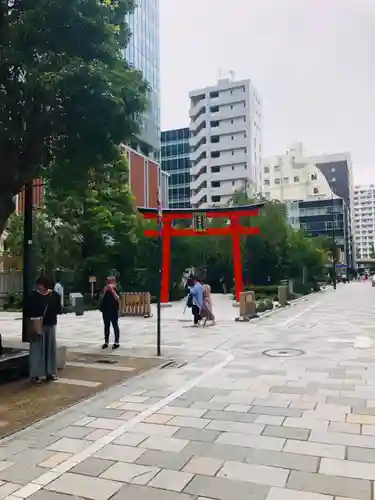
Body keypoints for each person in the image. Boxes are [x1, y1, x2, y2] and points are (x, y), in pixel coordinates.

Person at [25, 276, 61, 384]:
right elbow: (27, 310)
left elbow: (58, 308)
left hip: (50, 324)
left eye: (41, 285)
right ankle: (35, 375)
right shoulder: (32, 296)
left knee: (50, 349)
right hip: (37, 326)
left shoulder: (54, 295)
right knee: (37, 350)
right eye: (38, 285)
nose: (39, 287)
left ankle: (50, 372)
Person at [100, 276, 120, 349]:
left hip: (113, 310)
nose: (108, 283)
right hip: (106, 310)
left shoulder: (116, 289)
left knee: (115, 325)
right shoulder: (105, 289)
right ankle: (106, 342)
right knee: (106, 326)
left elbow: (117, 298)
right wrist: (104, 291)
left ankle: (116, 342)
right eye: (107, 281)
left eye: (109, 281)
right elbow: (101, 297)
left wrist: (112, 290)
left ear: (113, 282)